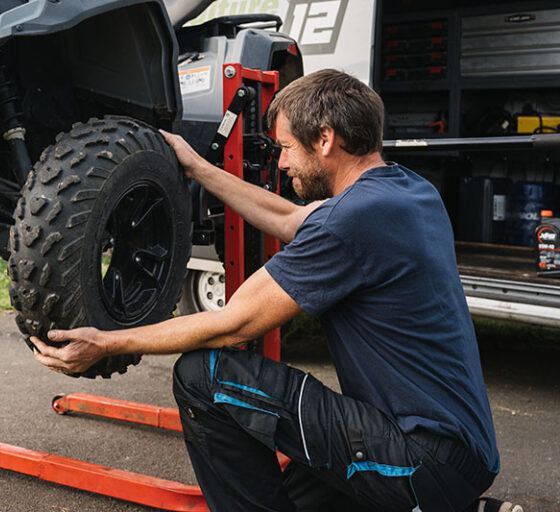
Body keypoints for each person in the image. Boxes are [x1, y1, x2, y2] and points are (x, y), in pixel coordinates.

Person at [29, 69, 519, 512]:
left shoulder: (350, 222)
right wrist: (198, 167)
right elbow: (288, 219)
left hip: (420, 456)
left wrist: (108, 342)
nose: (281, 162)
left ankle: (433, 501)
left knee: (203, 375)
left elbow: (232, 323)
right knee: (290, 499)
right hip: (464, 452)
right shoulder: (407, 191)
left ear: (325, 139)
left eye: (287, 147)